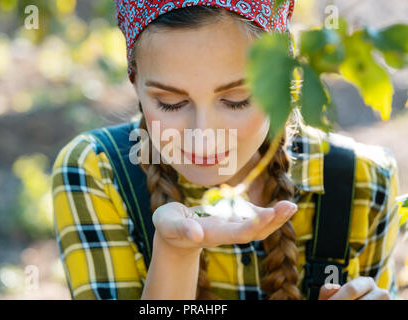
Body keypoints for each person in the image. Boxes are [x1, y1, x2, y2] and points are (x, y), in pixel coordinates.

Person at [52, 1, 402, 300]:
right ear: (135, 81)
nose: (203, 138)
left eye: (237, 100)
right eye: (171, 103)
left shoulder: (362, 182)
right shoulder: (97, 172)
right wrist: (176, 253)